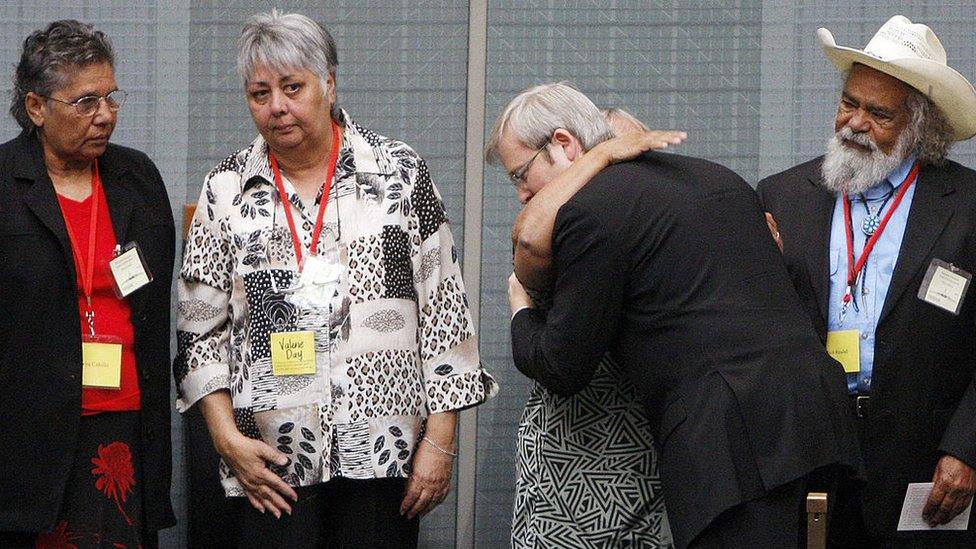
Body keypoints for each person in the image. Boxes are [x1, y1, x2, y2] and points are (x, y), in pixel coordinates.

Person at [487, 82, 860, 549]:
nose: (523, 194)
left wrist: (522, 311)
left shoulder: (590, 212)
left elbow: (563, 367)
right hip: (820, 422)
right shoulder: (716, 177)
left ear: (564, 144)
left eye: (520, 174)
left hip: (732, 447)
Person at [174, 11, 496, 548]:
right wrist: (227, 440)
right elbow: (199, 332)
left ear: (329, 83)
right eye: (260, 93)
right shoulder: (225, 189)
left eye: (292, 87)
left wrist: (440, 441)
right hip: (271, 463)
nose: (277, 106)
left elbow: (445, 311)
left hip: (383, 448)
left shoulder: (399, 173)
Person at [757, 15, 976, 547]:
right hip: (813, 458)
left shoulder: (968, 206)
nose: (854, 123)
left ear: (920, 128)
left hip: (927, 462)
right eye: (848, 102)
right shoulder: (781, 196)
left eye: (878, 113)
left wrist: (968, 448)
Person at [0, 20, 176, 548]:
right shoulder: (5, 183)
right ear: (36, 108)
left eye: (111, 98)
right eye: (84, 102)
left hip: (123, 426)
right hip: (29, 432)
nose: (104, 116)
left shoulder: (137, 178)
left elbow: (156, 305)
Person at [507, 105, 684, 548]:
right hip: (569, 466)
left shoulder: (628, 224)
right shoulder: (560, 227)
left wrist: (519, 308)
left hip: (635, 455)